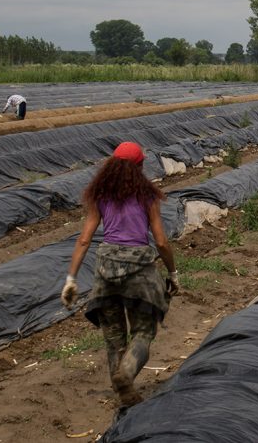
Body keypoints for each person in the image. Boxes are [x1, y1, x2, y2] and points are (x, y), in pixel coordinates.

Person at [60, 142, 178, 408]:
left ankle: (121, 393)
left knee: (114, 339)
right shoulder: (147, 196)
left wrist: (71, 279)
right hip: (139, 270)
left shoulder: (100, 195)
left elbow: (84, 239)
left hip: (106, 269)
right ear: (139, 166)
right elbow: (160, 241)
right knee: (143, 333)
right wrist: (173, 273)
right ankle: (126, 374)